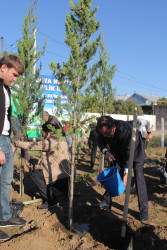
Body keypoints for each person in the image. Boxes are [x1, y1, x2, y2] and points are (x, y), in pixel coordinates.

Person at [93, 116, 148, 221]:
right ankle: (106, 201)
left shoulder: (126, 130)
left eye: (107, 133)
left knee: (139, 177)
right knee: (114, 173)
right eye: (103, 134)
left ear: (114, 127)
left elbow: (129, 154)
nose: (106, 136)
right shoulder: (101, 130)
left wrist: (126, 174)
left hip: (135, 151)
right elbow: (101, 142)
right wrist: (106, 152)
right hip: (118, 151)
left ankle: (144, 210)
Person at [15, 123, 71, 210]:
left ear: (48, 133)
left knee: (35, 174)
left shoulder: (50, 141)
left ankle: (51, 200)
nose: (42, 135)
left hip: (59, 178)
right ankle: (67, 193)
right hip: (68, 176)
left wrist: (17, 142)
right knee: (49, 172)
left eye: (43, 133)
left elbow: (32, 146)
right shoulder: (62, 139)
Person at [0, 54, 26, 230]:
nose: (15, 79)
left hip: (5, 140)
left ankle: (4, 216)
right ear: (3, 68)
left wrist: (9, 140)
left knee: (5, 181)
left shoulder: (5, 88)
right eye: (14, 74)